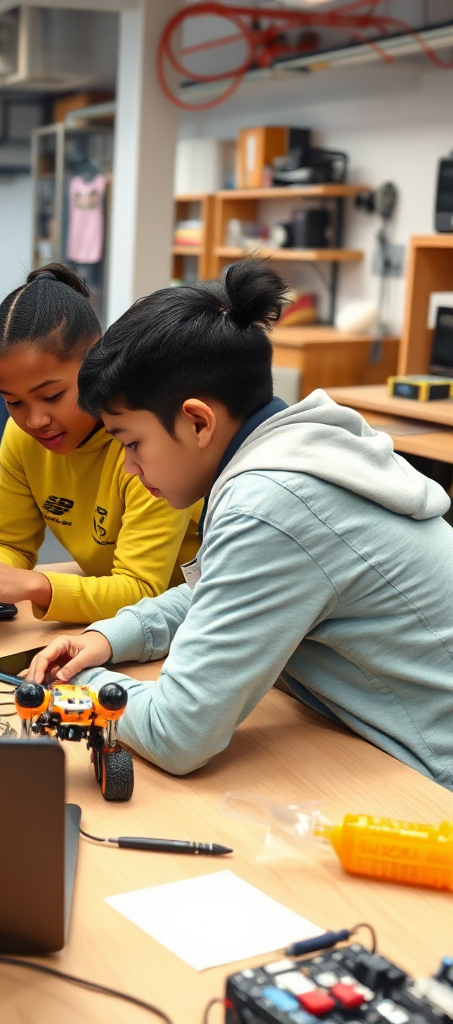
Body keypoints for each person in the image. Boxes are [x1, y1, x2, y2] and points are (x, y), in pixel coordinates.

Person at [27, 258, 453, 789]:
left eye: (131, 443)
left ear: (198, 420)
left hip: (432, 783)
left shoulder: (269, 504)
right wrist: (113, 637)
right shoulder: (295, 447)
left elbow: (176, 734)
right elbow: (224, 591)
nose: (131, 469)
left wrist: (78, 683)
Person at [0, 264, 200, 624]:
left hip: (190, 619)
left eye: (52, 395)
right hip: (119, 623)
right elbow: (10, 542)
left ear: (96, 365)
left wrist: (36, 585)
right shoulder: (22, 438)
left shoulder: (144, 443)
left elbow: (141, 590)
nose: (34, 420)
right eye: (13, 401)